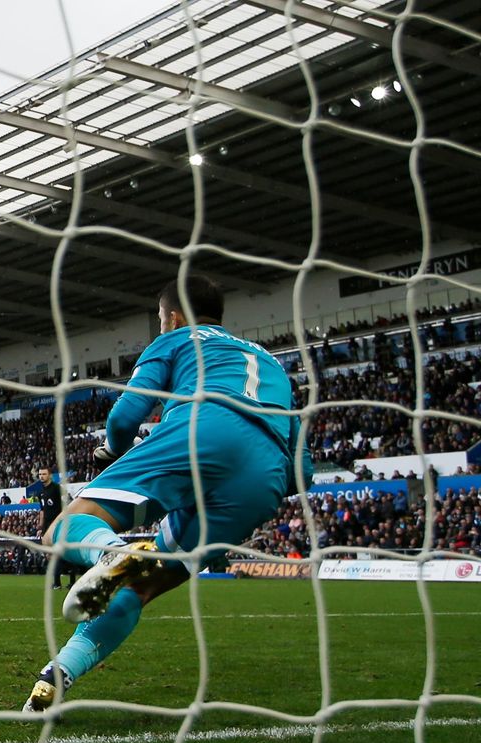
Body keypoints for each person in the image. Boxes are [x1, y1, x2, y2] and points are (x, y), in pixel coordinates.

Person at [23, 276, 313, 713]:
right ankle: (56, 675)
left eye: (161, 320)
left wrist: (115, 453)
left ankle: (110, 552)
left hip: (203, 425)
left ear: (172, 317)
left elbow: (126, 415)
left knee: (65, 526)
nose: (162, 326)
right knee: (140, 587)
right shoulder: (272, 364)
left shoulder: (178, 338)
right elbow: (302, 471)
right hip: (264, 474)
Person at [37, 467, 74, 590]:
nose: (41, 476)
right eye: (40, 474)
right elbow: (42, 511)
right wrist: (41, 527)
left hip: (59, 525)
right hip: (48, 527)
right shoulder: (41, 492)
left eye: (44, 474)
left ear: (50, 475)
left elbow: (67, 505)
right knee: (52, 554)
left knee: (65, 553)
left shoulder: (57, 489)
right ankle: (57, 583)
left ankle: (72, 581)